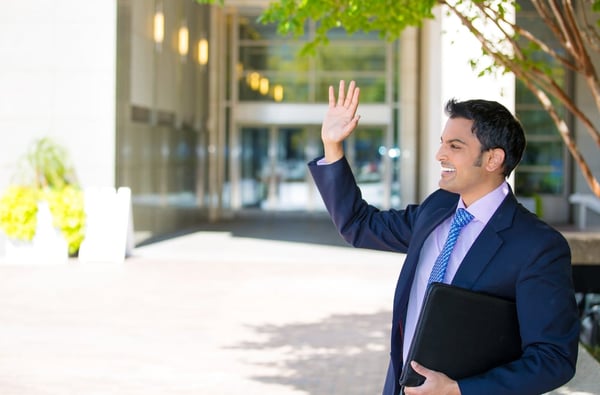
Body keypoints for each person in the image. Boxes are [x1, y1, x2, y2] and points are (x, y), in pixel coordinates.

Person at [308, 80, 580, 395]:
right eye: (442, 143)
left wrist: (459, 389)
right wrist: (333, 146)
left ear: (492, 159)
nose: (439, 154)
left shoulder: (537, 247)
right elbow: (359, 224)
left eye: (455, 146)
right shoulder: (437, 208)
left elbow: (553, 358)